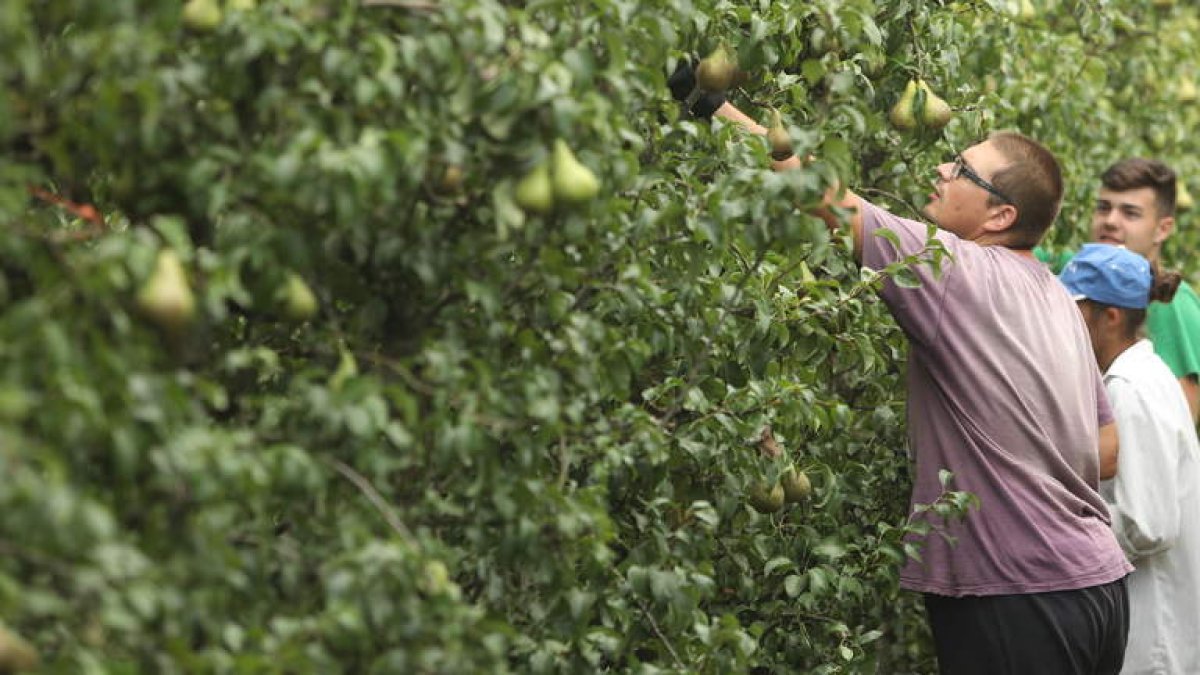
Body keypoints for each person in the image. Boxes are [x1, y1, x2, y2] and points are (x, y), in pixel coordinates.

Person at [669, 64, 1132, 673]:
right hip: (1099, 588)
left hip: (1018, 593)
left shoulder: (954, 271)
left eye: (962, 170)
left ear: (999, 216)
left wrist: (705, 102)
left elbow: (819, 195)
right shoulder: (1053, 296)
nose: (942, 169)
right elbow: (1108, 446)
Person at [1059, 244, 1200, 674]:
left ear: (1111, 317)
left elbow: (1149, 524)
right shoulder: (1139, 374)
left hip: (1152, 632)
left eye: (1075, 310)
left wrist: (1058, 521)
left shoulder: (1130, 387)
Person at [1036, 159, 1200, 423]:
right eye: (1103, 208)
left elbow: (1177, 419)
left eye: (1130, 213)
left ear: (1163, 228)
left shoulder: (1175, 304)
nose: (1110, 221)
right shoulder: (1072, 270)